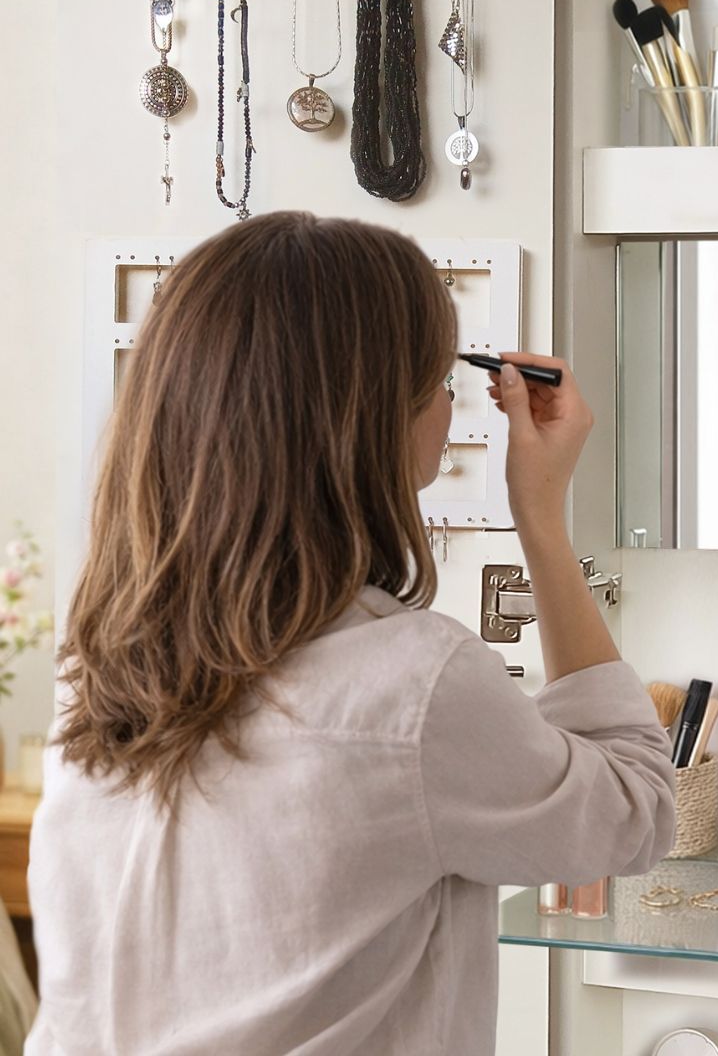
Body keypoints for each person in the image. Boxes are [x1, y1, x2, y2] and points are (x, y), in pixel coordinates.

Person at [26, 213, 676, 1055]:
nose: (452, 403)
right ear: (369, 421)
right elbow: (635, 811)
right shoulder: (414, 686)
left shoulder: (100, 662)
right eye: (440, 380)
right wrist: (543, 521)